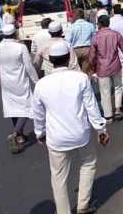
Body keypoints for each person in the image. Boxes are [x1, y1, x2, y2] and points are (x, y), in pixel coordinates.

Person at [32, 41, 109, 214]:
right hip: (80, 133)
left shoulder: (41, 84)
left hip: (56, 138)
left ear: (50, 60)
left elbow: (37, 114)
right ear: (68, 58)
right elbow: (92, 107)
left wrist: (40, 133)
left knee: (58, 177)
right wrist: (101, 130)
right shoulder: (80, 78)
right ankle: (83, 205)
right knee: (88, 163)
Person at [0, 24, 39, 154]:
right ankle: (15, 133)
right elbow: (29, 66)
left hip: (6, 81)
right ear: (15, 34)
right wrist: (36, 81)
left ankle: (20, 136)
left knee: (12, 107)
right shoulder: (21, 47)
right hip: (19, 80)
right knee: (27, 107)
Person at [89, 15, 123, 122]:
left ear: (99, 24)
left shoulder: (95, 37)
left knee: (105, 91)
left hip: (102, 68)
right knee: (118, 87)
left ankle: (108, 116)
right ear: (108, 23)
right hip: (115, 66)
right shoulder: (115, 34)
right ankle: (118, 109)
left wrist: (93, 68)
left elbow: (92, 56)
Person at [66, 9, 96, 74]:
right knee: (86, 71)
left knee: (76, 71)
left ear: (75, 16)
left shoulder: (71, 27)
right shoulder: (90, 25)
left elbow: (67, 41)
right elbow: (94, 39)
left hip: (75, 50)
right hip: (87, 49)